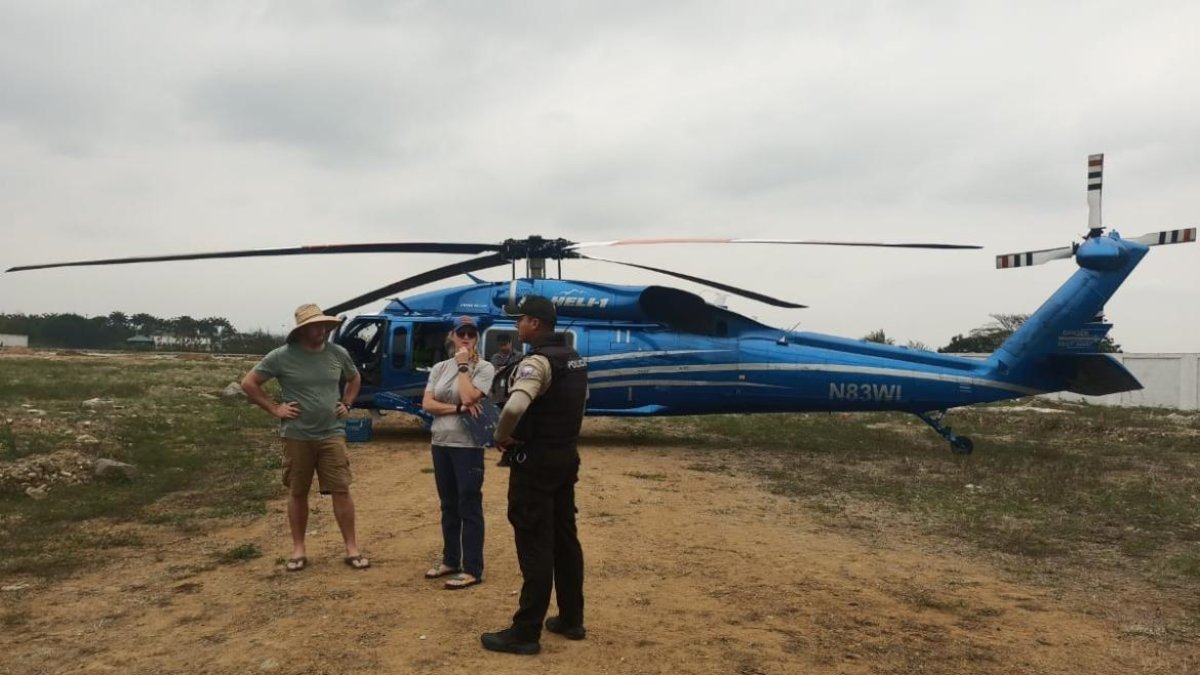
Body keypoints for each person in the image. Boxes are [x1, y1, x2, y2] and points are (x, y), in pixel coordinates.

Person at [481, 296, 588, 655]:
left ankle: (526, 632)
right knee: (565, 540)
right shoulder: (574, 360)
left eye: (521, 320)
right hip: (564, 459)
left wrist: (500, 435)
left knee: (534, 545)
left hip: (536, 464)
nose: (517, 326)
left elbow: (514, 405)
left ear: (535, 324)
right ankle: (571, 618)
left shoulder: (537, 362)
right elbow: (580, 403)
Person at [240, 303, 368, 573]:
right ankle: (298, 549)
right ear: (302, 330)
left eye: (323, 325)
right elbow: (249, 383)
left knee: (342, 489)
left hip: (332, 432)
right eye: (314, 326)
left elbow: (354, 378)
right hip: (297, 435)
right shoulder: (281, 356)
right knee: (298, 491)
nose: (320, 330)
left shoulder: (338, 353)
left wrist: (347, 403)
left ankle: (352, 548)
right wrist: (275, 408)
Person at [421, 316, 496, 590]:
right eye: (461, 333)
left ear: (477, 338)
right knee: (448, 504)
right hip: (441, 442)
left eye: (471, 334)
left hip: (468, 446)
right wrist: (456, 409)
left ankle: (473, 568)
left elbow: (468, 396)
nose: (466, 338)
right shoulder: (440, 368)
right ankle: (451, 559)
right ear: (452, 336)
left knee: (469, 504)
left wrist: (464, 365)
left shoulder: (485, 368)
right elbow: (427, 403)